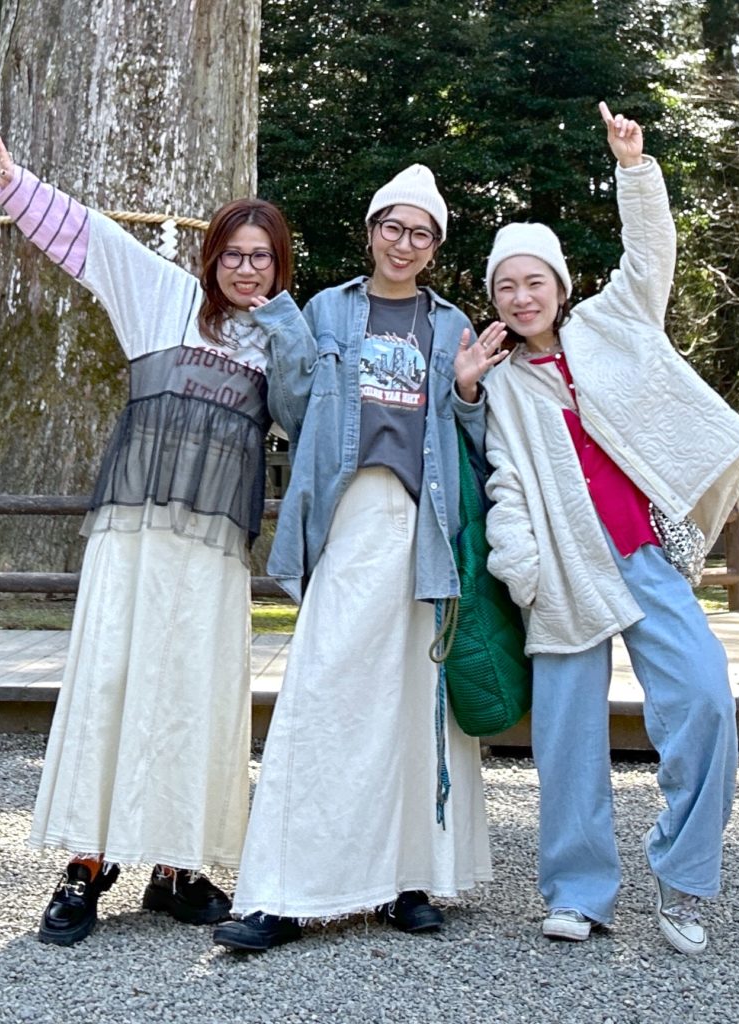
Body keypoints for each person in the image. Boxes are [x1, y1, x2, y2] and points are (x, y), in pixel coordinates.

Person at [0, 133, 316, 946]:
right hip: (131, 537)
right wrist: (20, 187)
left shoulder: (280, 338)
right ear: (212, 256)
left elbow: (306, 417)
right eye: (233, 254)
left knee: (198, 693)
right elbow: (91, 240)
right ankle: (87, 863)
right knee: (111, 681)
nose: (245, 269)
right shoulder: (161, 297)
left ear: (279, 267)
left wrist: (288, 328)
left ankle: (178, 863)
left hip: (213, 547)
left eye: (262, 258)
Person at [481, 103, 739, 955]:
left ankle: (684, 879)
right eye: (505, 285)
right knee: (568, 740)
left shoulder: (612, 323)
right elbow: (504, 480)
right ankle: (578, 892)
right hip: (562, 572)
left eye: (534, 281)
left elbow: (650, 256)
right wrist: (522, 565)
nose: (521, 296)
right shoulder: (500, 384)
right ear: (493, 297)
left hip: (643, 556)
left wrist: (634, 171)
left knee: (704, 699)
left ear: (560, 287)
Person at [213, 164, 508, 951]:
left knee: (415, 702)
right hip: (349, 519)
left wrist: (467, 392)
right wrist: (283, 327)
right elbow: (294, 410)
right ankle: (284, 890)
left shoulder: (451, 325)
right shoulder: (329, 310)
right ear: (372, 231)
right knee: (325, 695)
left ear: (435, 246)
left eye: (421, 234)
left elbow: (474, 441)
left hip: (424, 526)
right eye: (393, 228)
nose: (404, 244)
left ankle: (407, 880)